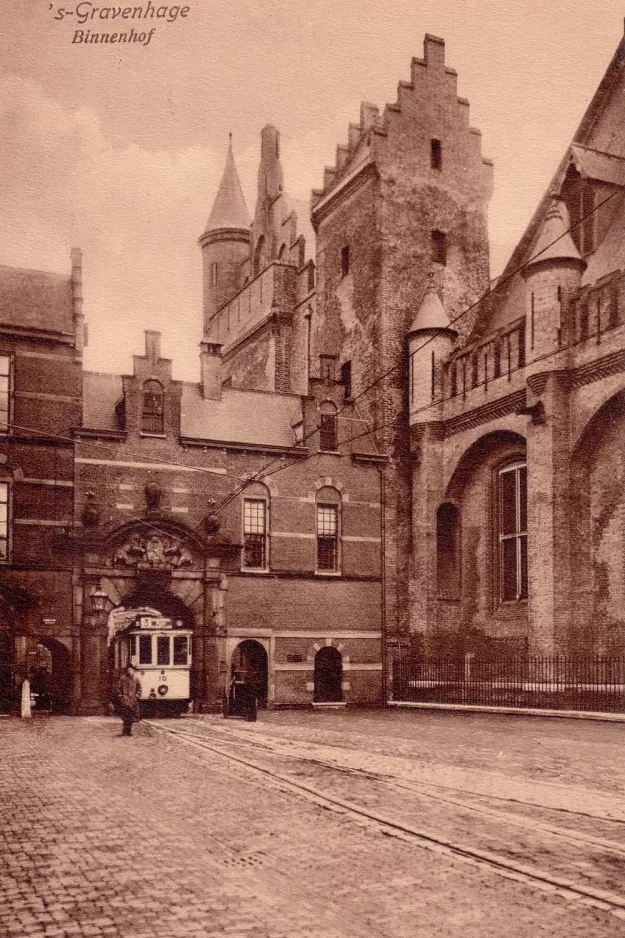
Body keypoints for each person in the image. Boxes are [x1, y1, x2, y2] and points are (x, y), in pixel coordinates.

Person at [116, 664, 141, 736]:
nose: (129, 671)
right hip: (124, 700)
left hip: (132, 700)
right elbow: (118, 689)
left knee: (131, 716)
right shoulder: (122, 678)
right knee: (125, 716)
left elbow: (139, 688)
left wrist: (137, 695)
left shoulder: (136, 679)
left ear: (133, 671)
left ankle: (129, 731)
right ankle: (124, 731)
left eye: (131, 670)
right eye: (128, 670)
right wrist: (120, 696)